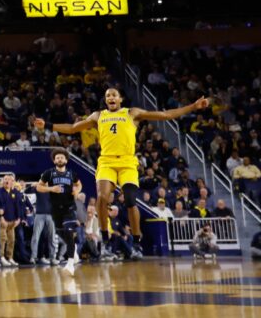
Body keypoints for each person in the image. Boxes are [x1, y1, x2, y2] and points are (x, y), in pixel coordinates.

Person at [39, 88, 208, 260]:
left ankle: (136, 242)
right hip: (107, 161)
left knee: (129, 200)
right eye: (107, 96)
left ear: (120, 99)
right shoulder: (98, 116)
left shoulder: (132, 113)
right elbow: (73, 128)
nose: (111, 97)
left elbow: (165, 115)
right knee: (102, 197)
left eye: (114, 95)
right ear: (106, 101)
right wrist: (47, 125)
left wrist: (193, 107)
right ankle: (104, 237)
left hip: (127, 162)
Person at [37, 149, 81, 275]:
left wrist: (77, 191)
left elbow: (79, 185)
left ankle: (70, 263)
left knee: (69, 231)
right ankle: (74, 249)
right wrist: (51, 188)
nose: (60, 159)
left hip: (69, 207)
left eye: (62, 157)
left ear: (66, 160)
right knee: (60, 232)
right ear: (54, 160)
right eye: (57, 158)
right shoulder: (48, 173)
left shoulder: (72, 173)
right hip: (55, 208)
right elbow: (39, 187)